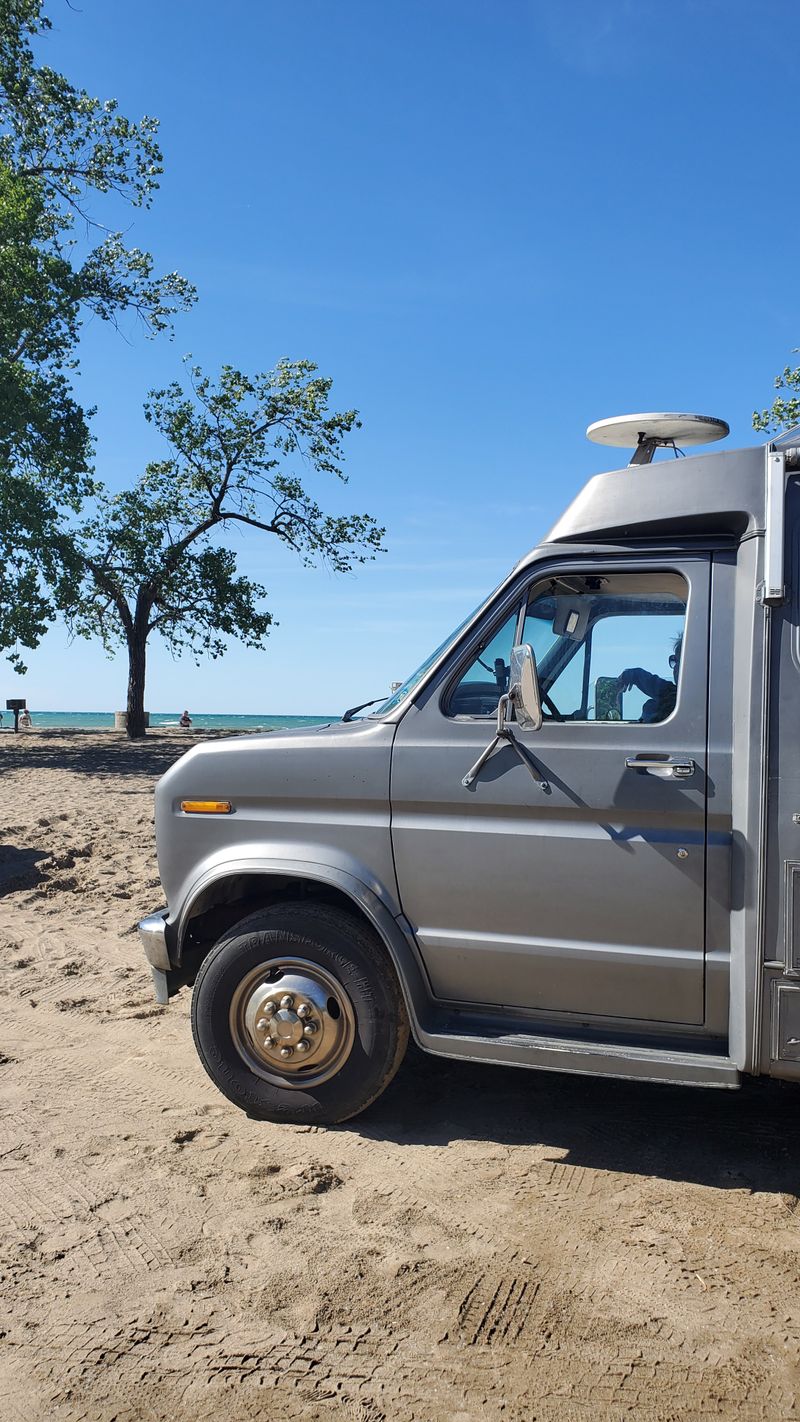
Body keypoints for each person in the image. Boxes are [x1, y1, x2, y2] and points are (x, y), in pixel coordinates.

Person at [616, 634, 682, 723]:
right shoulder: (673, 693)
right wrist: (632, 674)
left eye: (682, 660)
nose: (676, 666)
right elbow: (653, 683)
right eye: (674, 660)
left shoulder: (681, 702)